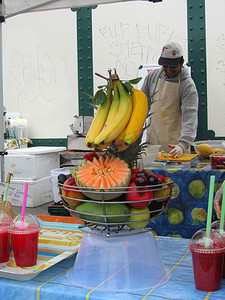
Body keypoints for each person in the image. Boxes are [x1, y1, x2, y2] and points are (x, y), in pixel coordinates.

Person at [141, 42, 199, 158]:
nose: (168, 70)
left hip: (176, 147)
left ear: (181, 62)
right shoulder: (152, 77)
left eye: (172, 66)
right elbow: (142, 107)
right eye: (165, 66)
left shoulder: (187, 85)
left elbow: (190, 117)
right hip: (153, 143)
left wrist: (182, 145)